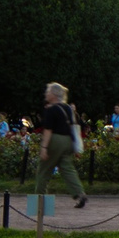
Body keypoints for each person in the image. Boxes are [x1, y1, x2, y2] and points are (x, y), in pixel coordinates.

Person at [32, 83, 88, 212]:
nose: (46, 94)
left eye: (48, 91)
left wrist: (44, 147)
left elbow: (48, 130)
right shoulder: (68, 108)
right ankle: (79, 193)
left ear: (54, 95)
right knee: (68, 169)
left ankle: (38, 203)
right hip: (68, 141)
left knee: (43, 171)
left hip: (55, 140)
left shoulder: (50, 110)